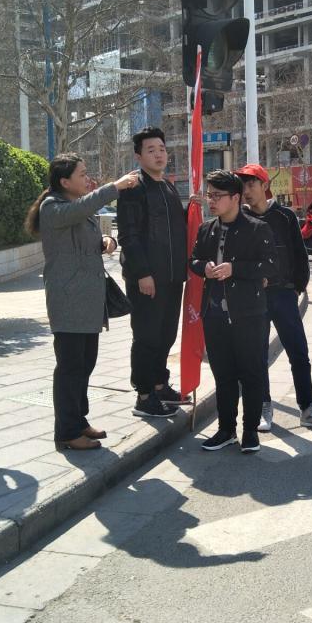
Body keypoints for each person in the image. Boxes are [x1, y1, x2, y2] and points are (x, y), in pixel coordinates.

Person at [25, 155, 141, 450]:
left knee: (85, 365)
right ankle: (67, 432)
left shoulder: (74, 207)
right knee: (70, 368)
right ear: (64, 182)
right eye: (82, 174)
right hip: (69, 301)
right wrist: (115, 187)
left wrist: (106, 242)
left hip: (88, 300)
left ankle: (79, 421)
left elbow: (82, 236)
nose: (87, 179)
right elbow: (81, 210)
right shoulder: (53, 207)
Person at [237, 164, 312, 433]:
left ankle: (308, 409)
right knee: (257, 355)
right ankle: (263, 407)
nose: (246, 191)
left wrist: (297, 288)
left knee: (298, 352)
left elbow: (299, 254)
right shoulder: (240, 218)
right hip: (254, 298)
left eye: (251, 184)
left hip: (283, 294)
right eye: (243, 186)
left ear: (264, 185)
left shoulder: (285, 216)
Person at [190, 170, 278, 453]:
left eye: (217, 196)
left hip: (249, 314)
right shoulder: (207, 229)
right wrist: (203, 267)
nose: (211, 201)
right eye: (209, 195)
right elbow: (193, 259)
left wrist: (235, 269)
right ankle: (226, 429)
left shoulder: (257, 228)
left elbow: (271, 265)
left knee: (251, 373)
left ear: (236, 198)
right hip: (214, 315)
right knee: (223, 375)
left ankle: (250, 431)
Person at [117, 127, 190, 419]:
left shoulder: (168, 187)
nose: (159, 154)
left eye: (161, 149)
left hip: (172, 276)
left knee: (166, 334)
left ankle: (160, 385)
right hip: (147, 278)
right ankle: (144, 395)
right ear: (138, 156)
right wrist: (142, 273)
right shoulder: (134, 187)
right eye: (151, 150)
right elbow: (129, 235)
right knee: (146, 336)